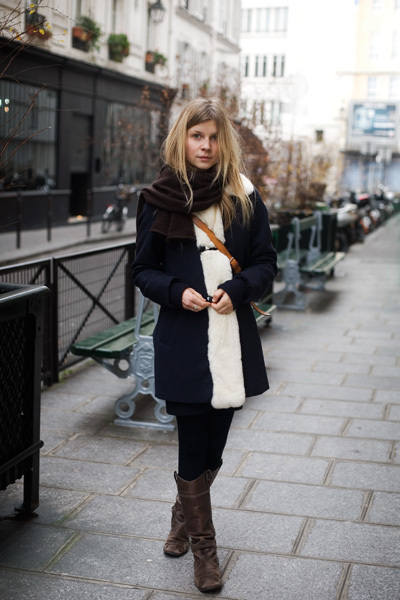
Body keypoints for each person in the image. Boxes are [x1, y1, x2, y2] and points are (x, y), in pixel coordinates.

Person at [132, 97, 277, 593]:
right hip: (184, 341)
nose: (206, 145)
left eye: (214, 137)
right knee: (193, 444)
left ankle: (182, 517)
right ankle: (205, 552)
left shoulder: (244, 195)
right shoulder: (159, 197)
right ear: (183, 139)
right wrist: (177, 292)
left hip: (232, 342)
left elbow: (265, 262)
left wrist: (238, 288)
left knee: (214, 447)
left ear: (224, 141)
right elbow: (142, 270)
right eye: (197, 136)